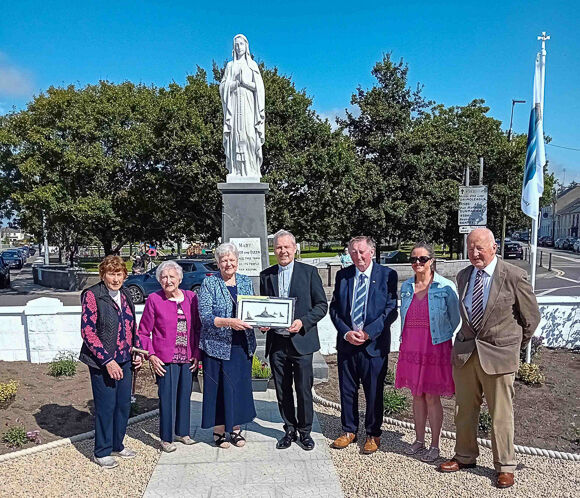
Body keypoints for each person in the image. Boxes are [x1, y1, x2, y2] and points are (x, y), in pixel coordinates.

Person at [438, 228, 541, 489]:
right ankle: (464, 456)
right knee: (463, 410)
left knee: (501, 414)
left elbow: (531, 318)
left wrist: (513, 346)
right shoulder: (463, 276)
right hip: (466, 353)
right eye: (471, 248)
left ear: (494, 247)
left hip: (499, 355)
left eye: (480, 248)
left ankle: (505, 466)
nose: (474, 253)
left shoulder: (514, 276)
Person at [259, 230, 328, 451]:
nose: (283, 251)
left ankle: (305, 432)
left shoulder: (309, 273)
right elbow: (264, 306)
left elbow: (321, 306)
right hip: (277, 343)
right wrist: (263, 321)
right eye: (279, 247)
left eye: (287, 246)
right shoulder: (266, 275)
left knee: (303, 389)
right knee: (282, 389)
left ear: (295, 248)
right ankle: (289, 429)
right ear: (274, 250)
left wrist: (303, 322)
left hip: (302, 341)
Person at [329, 236, 398, 454]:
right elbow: (335, 309)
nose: (357, 256)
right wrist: (346, 332)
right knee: (347, 390)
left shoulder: (387, 275)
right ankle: (349, 430)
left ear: (372, 252)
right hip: (347, 343)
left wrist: (369, 333)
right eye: (353, 252)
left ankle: (373, 433)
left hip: (374, 345)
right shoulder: (343, 275)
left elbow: (390, 310)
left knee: (374, 391)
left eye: (361, 252)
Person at [395, 242, 460, 462]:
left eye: (422, 259)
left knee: (432, 396)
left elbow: (455, 318)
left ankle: (435, 445)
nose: (417, 263)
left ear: (431, 261)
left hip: (435, 346)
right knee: (416, 395)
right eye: (413, 259)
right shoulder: (406, 287)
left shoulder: (445, 286)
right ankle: (419, 440)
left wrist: (441, 336)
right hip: (411, 346)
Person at [79, 255, 142, 469]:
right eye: (111, 274)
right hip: (101, 361)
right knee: (106, 406)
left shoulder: (125, 294)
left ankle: (117, 443)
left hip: (124, 358)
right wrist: (107, 360)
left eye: (119, 274)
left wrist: (138, 350)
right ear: (103, 275)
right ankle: (102, 451)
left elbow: (132, 324)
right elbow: (87, 332)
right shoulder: (93, 295)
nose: (115, 279)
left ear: (125, 275)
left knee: (123, 405)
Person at [138, 260, 201, 453]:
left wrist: (197, 354)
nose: (168, 280)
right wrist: (151, 355)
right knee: (167, 398)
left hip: (187, 357)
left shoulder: (191, 298)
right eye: (164, 277)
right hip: (165, 359)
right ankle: (166, 437)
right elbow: (142, 332)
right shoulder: (154, 300)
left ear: (180, 279)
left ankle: (183, 432)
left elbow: (198, 329)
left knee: (184, 396)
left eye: (172, 277)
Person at [198, 242, 256, 448]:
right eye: (224, 260)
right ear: (218, 263)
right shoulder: (209, 284)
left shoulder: (245, 281)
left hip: (242, 344)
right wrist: (229, 322)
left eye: (232, 260)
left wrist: (261, 324)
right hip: (217, 345)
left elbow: (254, 310)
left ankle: (236, 429)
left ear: (237, 262)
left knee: (239, 387)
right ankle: (219, 430)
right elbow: (205, 316)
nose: (228, 264)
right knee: (219, 388)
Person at [219, 34, 265, 180]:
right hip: (234, 107)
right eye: (236, 45)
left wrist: (244, 83)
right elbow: (222, 86)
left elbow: (259, 89)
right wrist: (233, 84)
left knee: (249, 136)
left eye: (241, 44)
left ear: (246, 46)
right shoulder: (230, 66)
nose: (239, 47)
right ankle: (236, 170)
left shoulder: (252, 66)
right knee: (234, 137)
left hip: (249, 106)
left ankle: (252, 170)